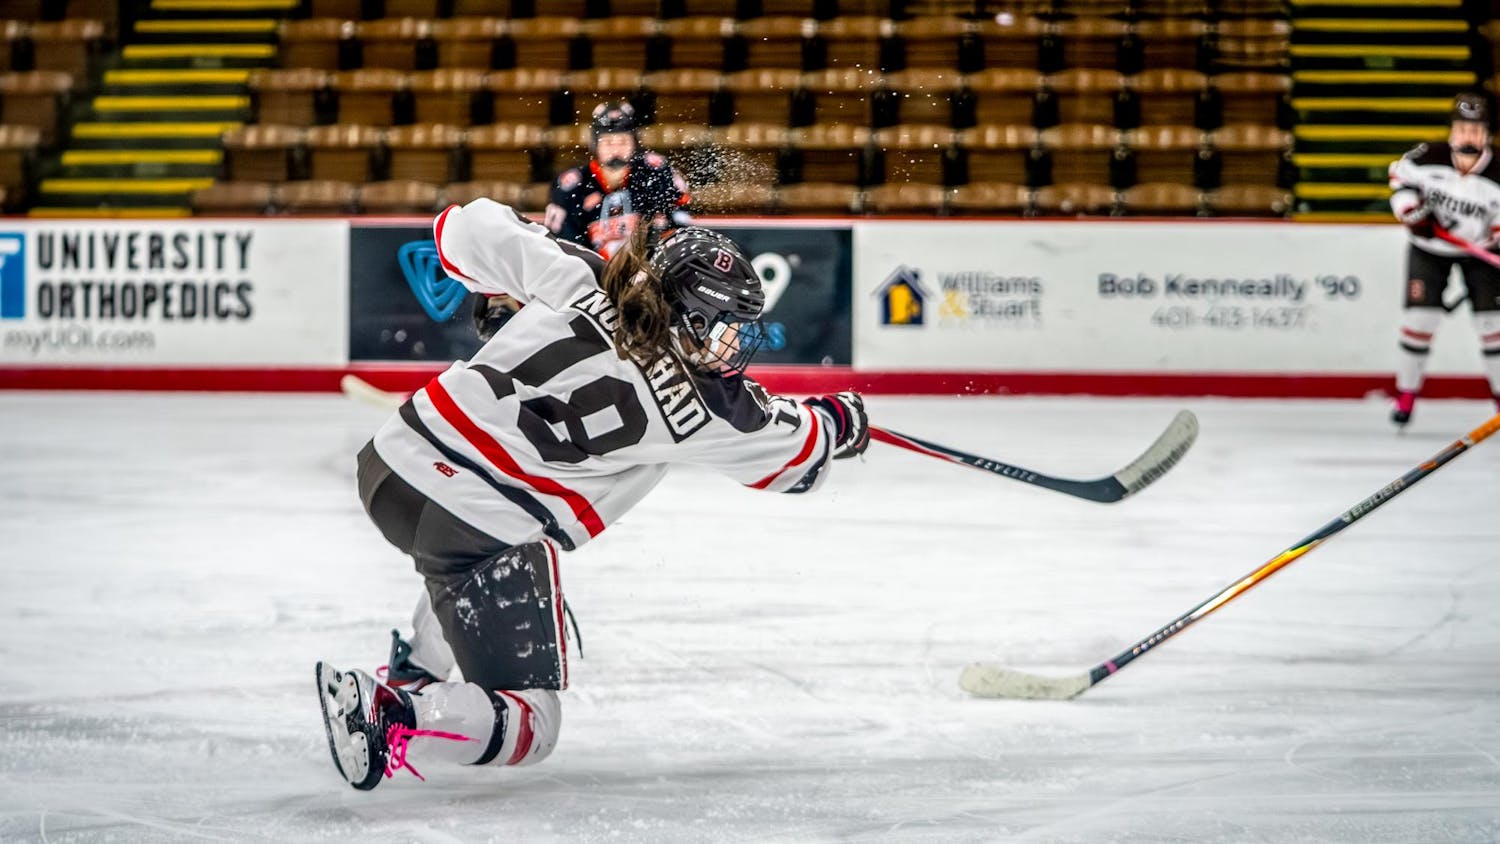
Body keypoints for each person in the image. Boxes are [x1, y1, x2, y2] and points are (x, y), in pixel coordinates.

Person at [316, 198, 869, 791]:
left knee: (488, 564)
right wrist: (840, 421)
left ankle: (415, 674)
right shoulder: (707, 409)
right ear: (694, 321)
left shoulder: (582, 274)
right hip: (473, 526)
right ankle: (395, 716)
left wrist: (501, 283)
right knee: (531, 722)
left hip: (389, 467)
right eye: (729, 326)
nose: (737, 345)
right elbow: (797, 459)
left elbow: (461, 227)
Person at [1387, 91, 1500, 426]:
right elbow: (1399, 179)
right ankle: (1406, 395)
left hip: (1480, 255)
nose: (1468, 136)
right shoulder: (1427, 156)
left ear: (1487, 134)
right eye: (1462, 128)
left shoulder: (1497, 173)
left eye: (1476, 129)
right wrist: (1410, 213)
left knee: (1493, 327)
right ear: (1452, 130)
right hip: (1430, 249)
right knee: (1420, 321)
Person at [544, 100, 693, 259]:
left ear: (634, 143)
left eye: (623, 142)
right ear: (595, 144)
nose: (616, 150)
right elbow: (564, 245)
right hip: (592, 275)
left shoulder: (656, 171)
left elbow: (680, 224)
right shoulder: (572, 184)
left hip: (648, 271)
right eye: (608, 142)